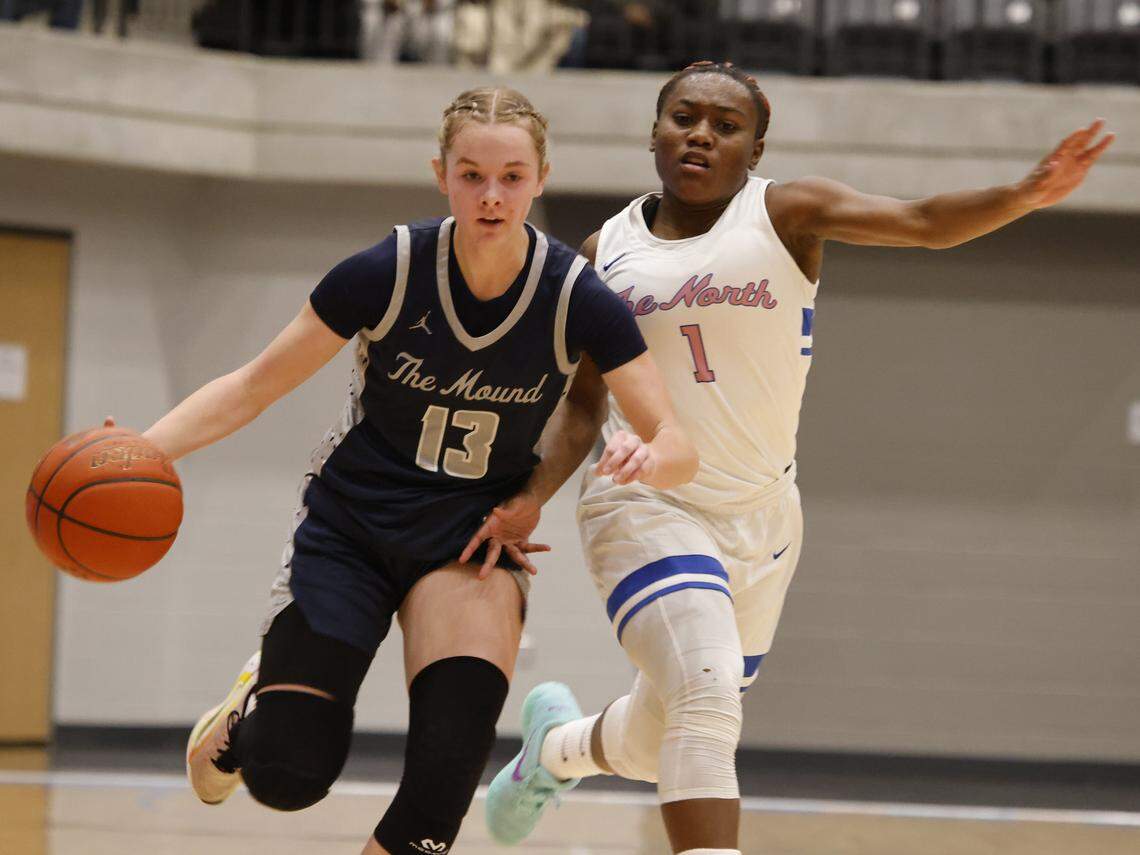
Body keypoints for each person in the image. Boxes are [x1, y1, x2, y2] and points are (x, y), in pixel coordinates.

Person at [480, 61, 1114, 855]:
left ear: (755, 145)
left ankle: (554, 751)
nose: (701, 134)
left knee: (663, 733)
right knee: (707, 704)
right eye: (684, 117)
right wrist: (535, 494)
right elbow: (582, 403)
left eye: (724, 123)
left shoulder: (786, 213)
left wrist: (1021, 194)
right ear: (654, 131)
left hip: (765, 518)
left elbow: (921, 220)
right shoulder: (604, 251)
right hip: (644, 505)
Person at [141, 87, 697, 855]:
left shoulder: (577, 295)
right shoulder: (387, 271)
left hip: (471, 540)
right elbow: (252, 384)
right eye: (472, 174)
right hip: (352, 527)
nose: (492, 195)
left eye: (511, 175)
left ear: (541, 177)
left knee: (441, 787)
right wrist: (143, 449)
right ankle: (246, 714)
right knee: (287, 772)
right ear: (441, 174)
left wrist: (649, 452)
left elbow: (674, 437)